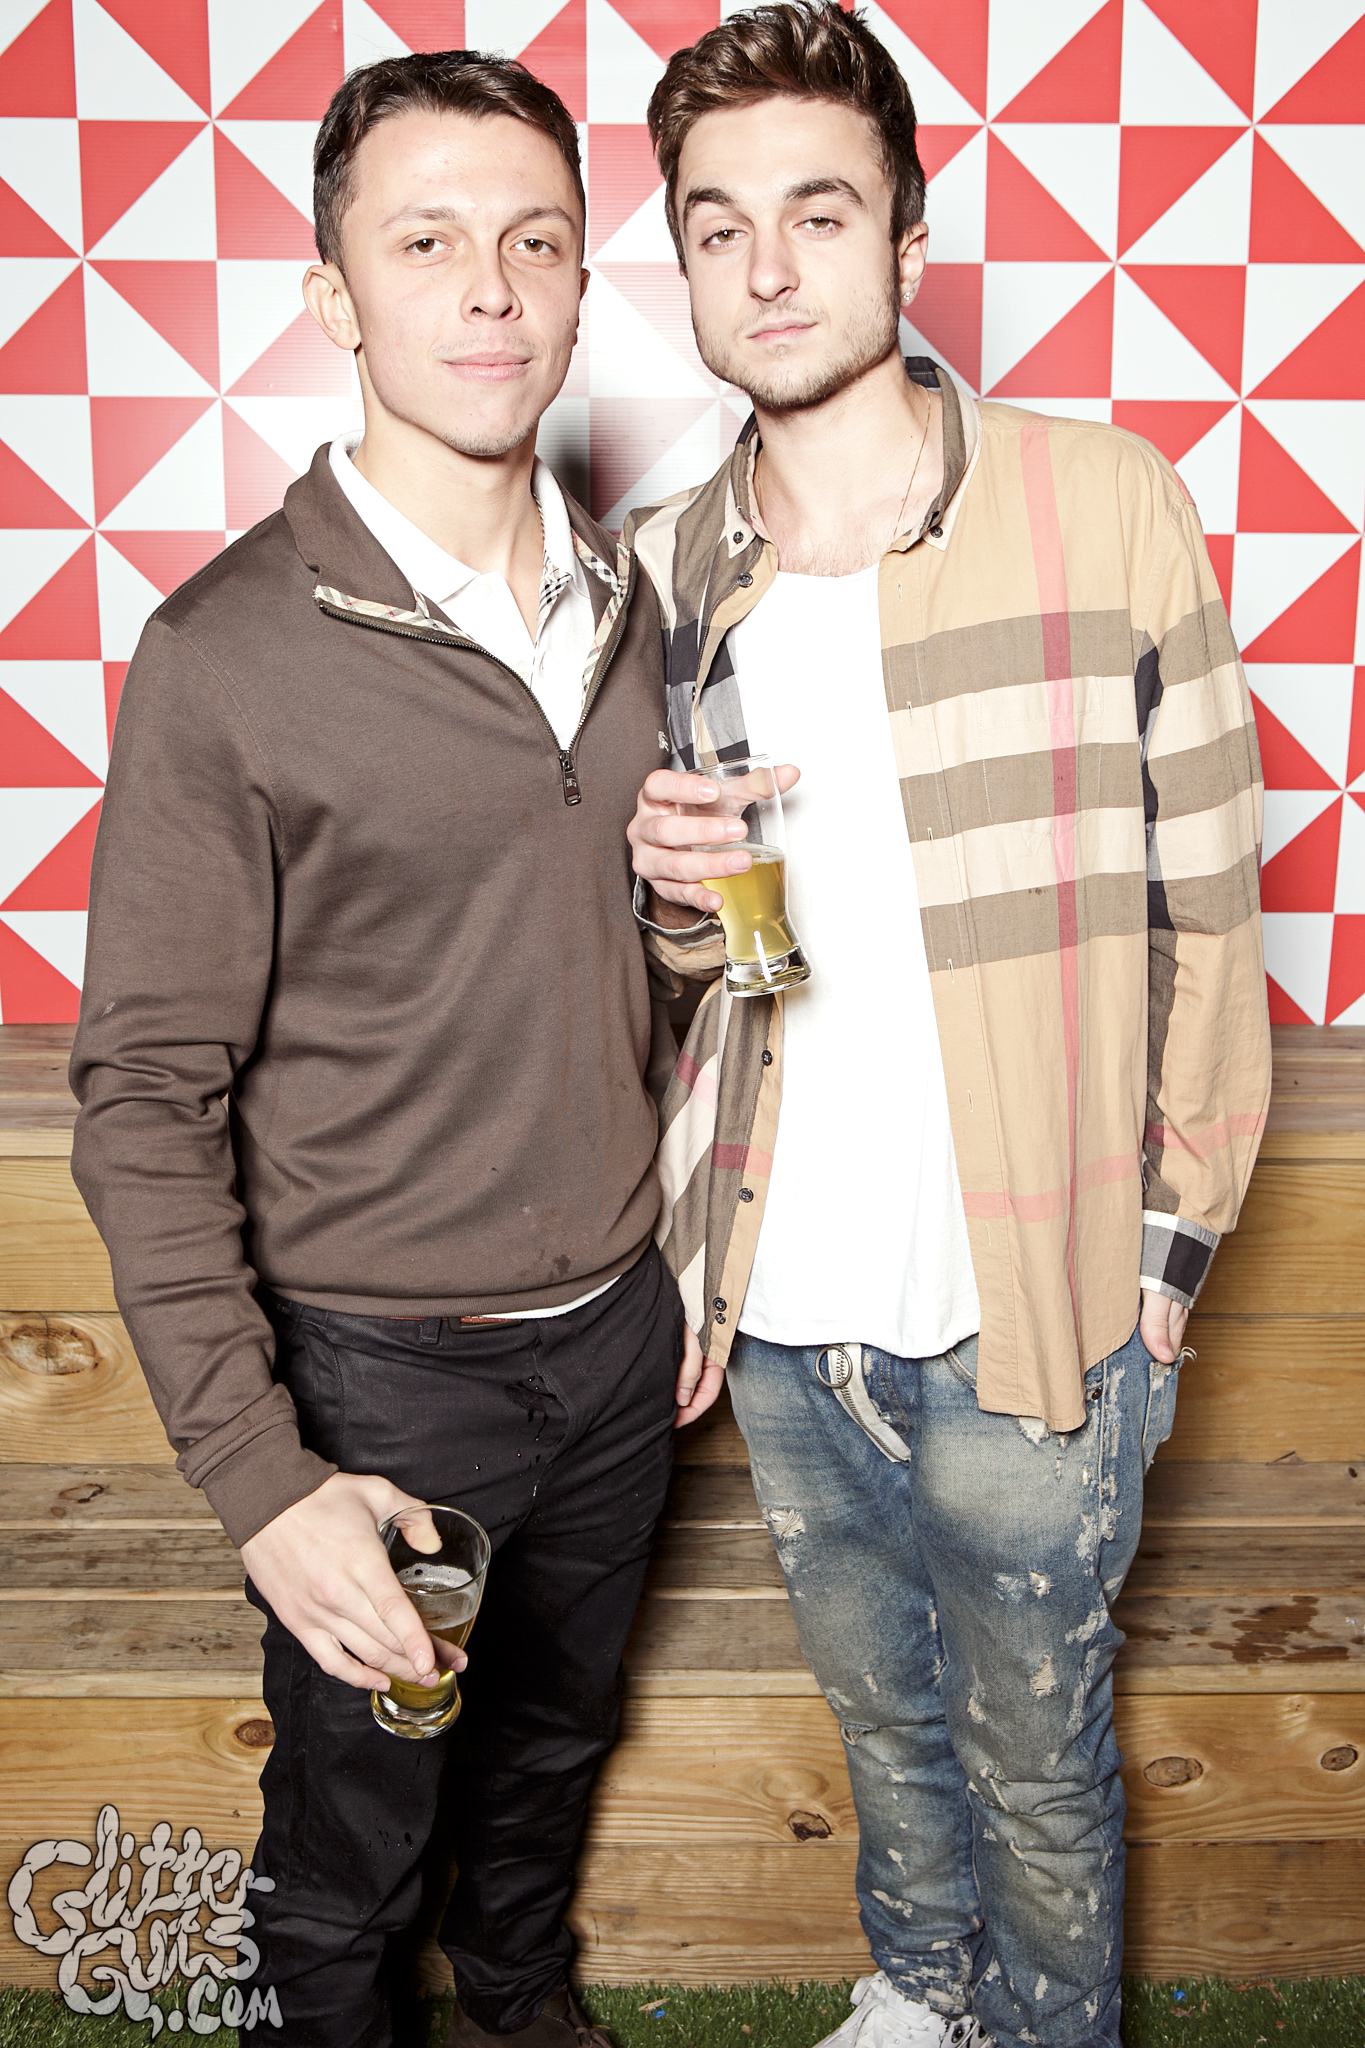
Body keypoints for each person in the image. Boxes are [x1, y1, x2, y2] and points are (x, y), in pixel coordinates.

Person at [624, 8, 1271, 2047]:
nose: (767, 266)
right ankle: (918, 1991)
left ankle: (1048, 2027)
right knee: (880, 1709)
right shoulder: (664, 572)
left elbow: (1208, 904)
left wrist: (1169, 1243)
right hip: (780, 1292)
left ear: (905, 238)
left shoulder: (1104, 502)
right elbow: (693, 975)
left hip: (1039, 1286)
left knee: (1035, 1746)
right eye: (717, 225)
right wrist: (664, 902)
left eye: (817, 213)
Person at [69, 49, 706, 2048]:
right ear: (334, 296)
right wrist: (265, 1479)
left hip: (618, 1338)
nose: (489, 288)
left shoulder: (637, 611)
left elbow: (616, 968)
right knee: (351, 1836)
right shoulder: (223, 655)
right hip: (378, 1375)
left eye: (535, 241)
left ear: (581, 282)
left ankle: (522, 2005)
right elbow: (141, 1097)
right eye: (425, 242)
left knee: (550, 1748)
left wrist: (686, 941)